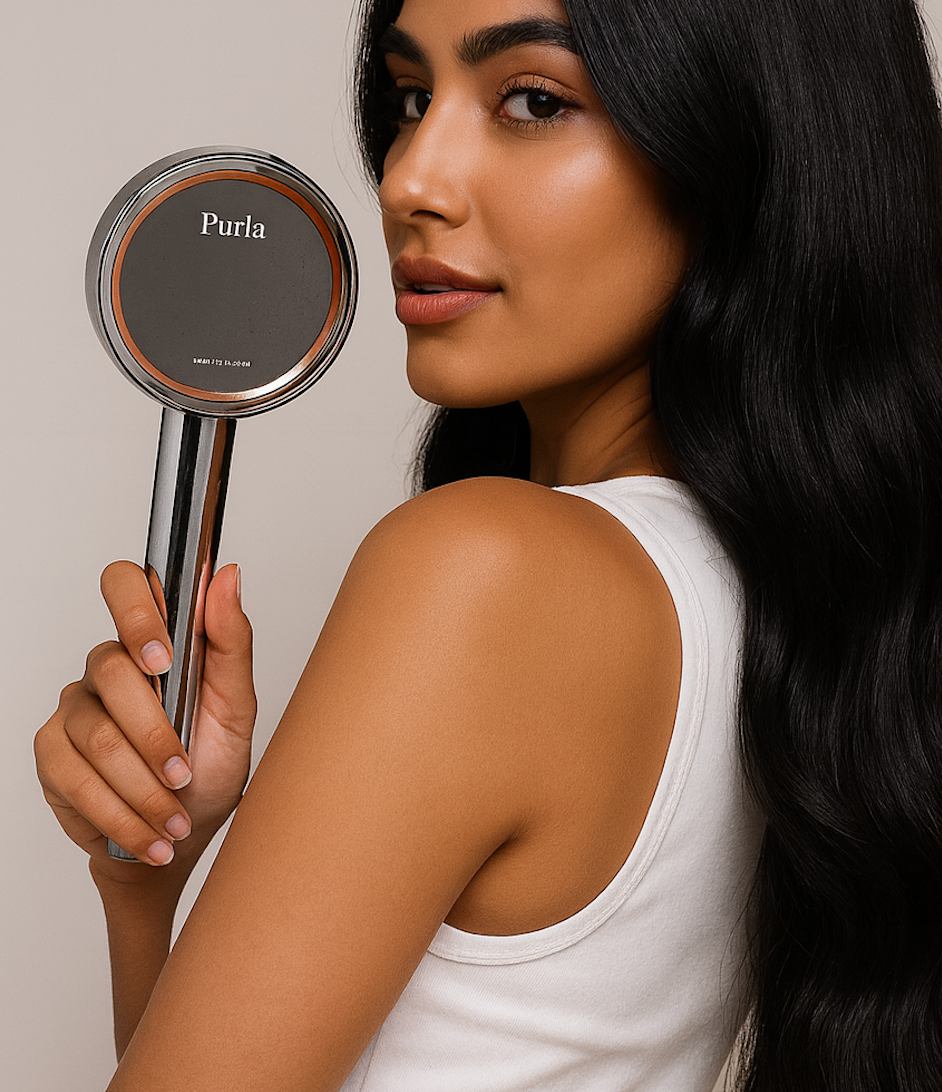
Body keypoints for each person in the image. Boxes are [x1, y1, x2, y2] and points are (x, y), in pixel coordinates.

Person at [33, 0, 942, 1088]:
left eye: (535, 102)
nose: (409, 178)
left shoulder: (490, 568)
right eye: (412, 99)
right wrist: (146, 882)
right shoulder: (801, 612)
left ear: (742, 144)